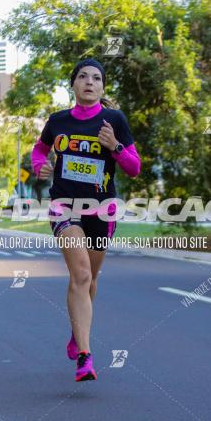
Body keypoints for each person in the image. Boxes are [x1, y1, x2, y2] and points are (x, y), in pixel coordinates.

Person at [31, 58, 141, 382]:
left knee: (90, 280)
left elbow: (134, 167)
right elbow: (39, 151)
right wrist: (40, 166)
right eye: (82, 76)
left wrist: (116, 147)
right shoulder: (58, 121)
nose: (89, 81)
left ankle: (76, 332)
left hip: (101, 210)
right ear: (74, 84)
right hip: (64, 205)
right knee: (79, 274)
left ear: (103, 86)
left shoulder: (114, 120)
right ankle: (85, 356)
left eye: (96, 77)